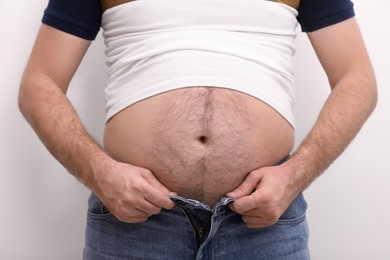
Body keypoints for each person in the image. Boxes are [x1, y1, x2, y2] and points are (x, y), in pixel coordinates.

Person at [18, 0, 377, 259]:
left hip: (261, 222)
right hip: (135, 223)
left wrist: (295, 176)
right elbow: (40, 83)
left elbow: (357, 80)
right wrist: (100, 173)